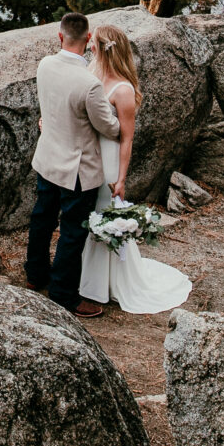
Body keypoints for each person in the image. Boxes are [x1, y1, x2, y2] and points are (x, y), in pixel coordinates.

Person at [80, 23, 185, 314]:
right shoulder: (92, 72)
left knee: (103, 215)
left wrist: (122, 177)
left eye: (94, 43)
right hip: (89, 156)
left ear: (104, 49)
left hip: (109, 158)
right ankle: (86, 277)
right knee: (86, 214)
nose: (89, 46)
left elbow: (127, 139)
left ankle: (98, 286)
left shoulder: (123, 90)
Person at [26, 11, 118, 316]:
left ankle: (36, 274)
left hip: (48, 157)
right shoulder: (89, 84)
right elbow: (108, 127)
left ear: (60, 36)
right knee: (72, 232)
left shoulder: (45, 65)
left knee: (42, 217)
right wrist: (123, 121)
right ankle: (63, 294)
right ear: (89, 39)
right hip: (77, 170)